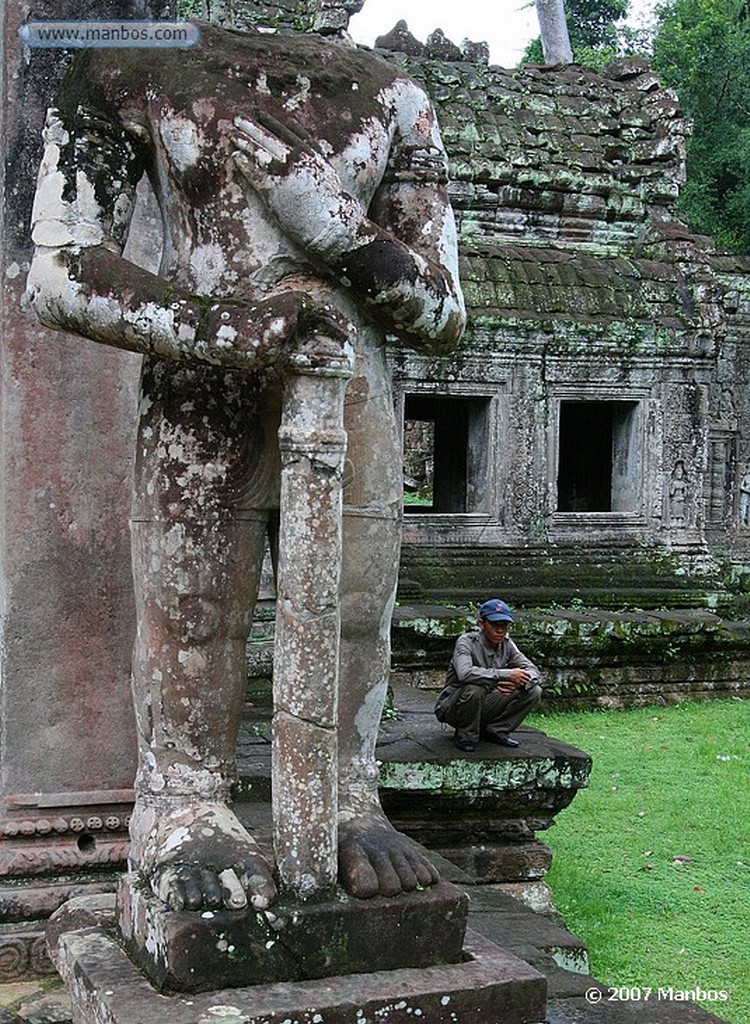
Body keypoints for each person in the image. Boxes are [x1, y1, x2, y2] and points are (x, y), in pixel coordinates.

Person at [25, 0, 465, 913]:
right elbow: (60, 272)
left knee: (351, 618)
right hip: (204, 395)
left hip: (353, 394)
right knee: (194, 621)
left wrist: (325, 216)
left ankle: (348, 797)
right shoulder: (131, 67)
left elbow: (444, 311)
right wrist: (230, 327)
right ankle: (183, 803)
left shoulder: (394, 94)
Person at [435, 599, 542, 752]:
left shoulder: (507, 645)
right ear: (481, 624)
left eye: (504, 626)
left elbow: (533, 671)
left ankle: (496, 731)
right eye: (495, 625)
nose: (500, 630)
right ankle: (466, 735)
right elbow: (465, 673)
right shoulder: (466, 642)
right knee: (474, 687)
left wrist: (521, 682)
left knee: (534, 691)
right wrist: (505, 675)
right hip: (454, 707)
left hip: (486, 703)